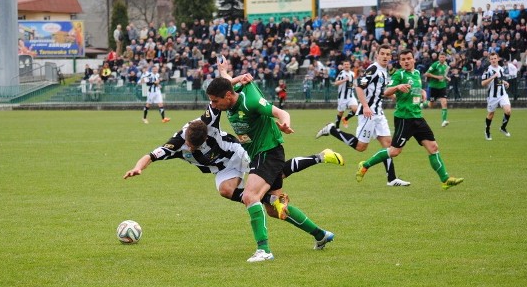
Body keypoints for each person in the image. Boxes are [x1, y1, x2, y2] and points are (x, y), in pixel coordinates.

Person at [206, 57, 337, 263]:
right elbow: (226, 81)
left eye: (215, 101)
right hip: (260, 153)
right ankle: (321, 235)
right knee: (274, 208)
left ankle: (264, 250)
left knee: (250, 197)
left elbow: (280, 111)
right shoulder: (230, 93)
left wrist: (284, 123)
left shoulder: (250, 102)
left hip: (268, 152)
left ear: (229, 96)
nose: (213, 105)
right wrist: (222, 70)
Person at [123, 110, 344, 214]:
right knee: (226, 190)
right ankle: (268, 198)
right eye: (189, 145)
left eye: (195, 147)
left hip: (239, 153)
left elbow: (219, 96)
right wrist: (137, 168)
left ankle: (320, 156)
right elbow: (151, 155)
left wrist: (237, 79)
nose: (190, 149)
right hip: (222, 168)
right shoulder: (176, 144)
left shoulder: (207, 124)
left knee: (278, 174)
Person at [356, 49, 463, 190]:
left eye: (408, 58)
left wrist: (422, 92)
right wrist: (397, 87)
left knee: (433, 147)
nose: (406, 61)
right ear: (400, 62)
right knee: (394, 151)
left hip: (418, 118)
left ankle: (445, 179)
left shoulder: (417, 73)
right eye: (403, 59)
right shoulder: (398, 74)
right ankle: (365, 165)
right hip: (404, 118)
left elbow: (414, 90)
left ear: (414, 60)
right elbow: (385, 92)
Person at [315, 44, 410, 187]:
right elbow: (359, 86)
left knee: (388, 145)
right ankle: (331, 129)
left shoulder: (384, 71)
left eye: (388, 54)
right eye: (382, 53)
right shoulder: (373, 69)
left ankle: (391, 178)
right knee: (361, 147)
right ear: (377, 55)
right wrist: (365, 106)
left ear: (391, 56)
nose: (385, 56)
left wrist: (395, 96)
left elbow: (380, 91)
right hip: (369, 113)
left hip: (379, 112)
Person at [481, 52, 512, 140]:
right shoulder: (488, 70)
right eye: (492, 59)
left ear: (498, 59)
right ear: (489, 60)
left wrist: (504, 82)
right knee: (491, 114)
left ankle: (503, 128)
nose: (493, 60)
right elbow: (483, 83)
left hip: (502, 94)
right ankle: (487, 131)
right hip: (492, 96)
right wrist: (492, 77)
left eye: (495, 58)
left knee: (508, 111)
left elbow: (499, 80)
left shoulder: (501, 69)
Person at [424, 51, 450, 127]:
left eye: (443, 57)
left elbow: (443, 75)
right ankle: (422, 104)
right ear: (438, 58)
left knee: (444, 102)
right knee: (431, 104)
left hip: (442, 86)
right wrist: (436, 77)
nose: (442, 58)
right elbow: (426, 74)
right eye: (441, 57)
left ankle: (444, 121)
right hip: (433, 87)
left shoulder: (446, 65)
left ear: (445, 58)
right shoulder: (435, 64)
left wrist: (447, 78)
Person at [332, 59, 358, 128]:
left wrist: (357, 87)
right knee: (341, 112)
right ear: (343, 66)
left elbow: (354, 84)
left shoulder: (353, 74)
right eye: (345, 64)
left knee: (356, 109)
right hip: (342, 97)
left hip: (351, 95)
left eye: (347, 64)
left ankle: (345, 119)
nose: (346, 66)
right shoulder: (341, 74)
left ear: (350, 65)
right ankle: (337, 127)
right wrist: (344, 80)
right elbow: (336, 83)